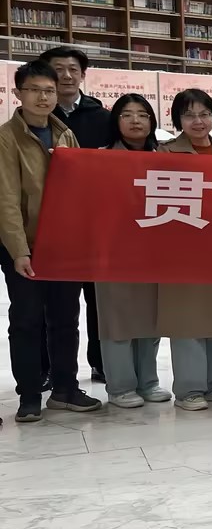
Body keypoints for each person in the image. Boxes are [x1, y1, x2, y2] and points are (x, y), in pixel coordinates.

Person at [0, 60, 102, 423]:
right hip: (26, 245)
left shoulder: (64, 134)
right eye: (34, 90)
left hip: (63, 245)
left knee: (65, 319)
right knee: (26, 320)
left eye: (49, 91)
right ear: (18, 93)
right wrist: (18, 250)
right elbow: (6, 199)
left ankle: (65, 389)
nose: (43, 97)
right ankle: (29, 395)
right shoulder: (6, 137)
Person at [161, 88, 212, 411]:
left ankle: (211, 382)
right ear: (177, 119)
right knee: (187, 320)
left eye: (204, 114)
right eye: (189, 115)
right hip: (182, 249)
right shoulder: (164, 153)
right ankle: (188, 389)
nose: (198, 121)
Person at [94, 95, 172, 409]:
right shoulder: (100, 158)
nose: (135, 120)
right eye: (127, 115)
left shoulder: (164, 156)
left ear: (152, 121)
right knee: (118, 321)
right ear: (116, 121)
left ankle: (148, 381)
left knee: (150, 321)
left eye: (142, 114)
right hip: (114, 251)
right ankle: (120, 386)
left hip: (154, 251)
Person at [41, 46, 108, 384]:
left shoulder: (103, 118)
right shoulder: (36, 118)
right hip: (52, 222)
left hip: (97, 222)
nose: (66, 76)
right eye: (59, 69)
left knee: (99, 299)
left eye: (73, 69)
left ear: (83, 75)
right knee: (54, 304)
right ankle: (52, 369)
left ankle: (101, 362)